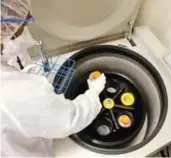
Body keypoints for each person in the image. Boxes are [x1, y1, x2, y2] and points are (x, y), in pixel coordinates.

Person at [0, 0, 106, 157]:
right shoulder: (16, 92)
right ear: (7, 35)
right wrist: (93, 95)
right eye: (24, 25)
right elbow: (69, 119)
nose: (30, 21)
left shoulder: (7, 55)